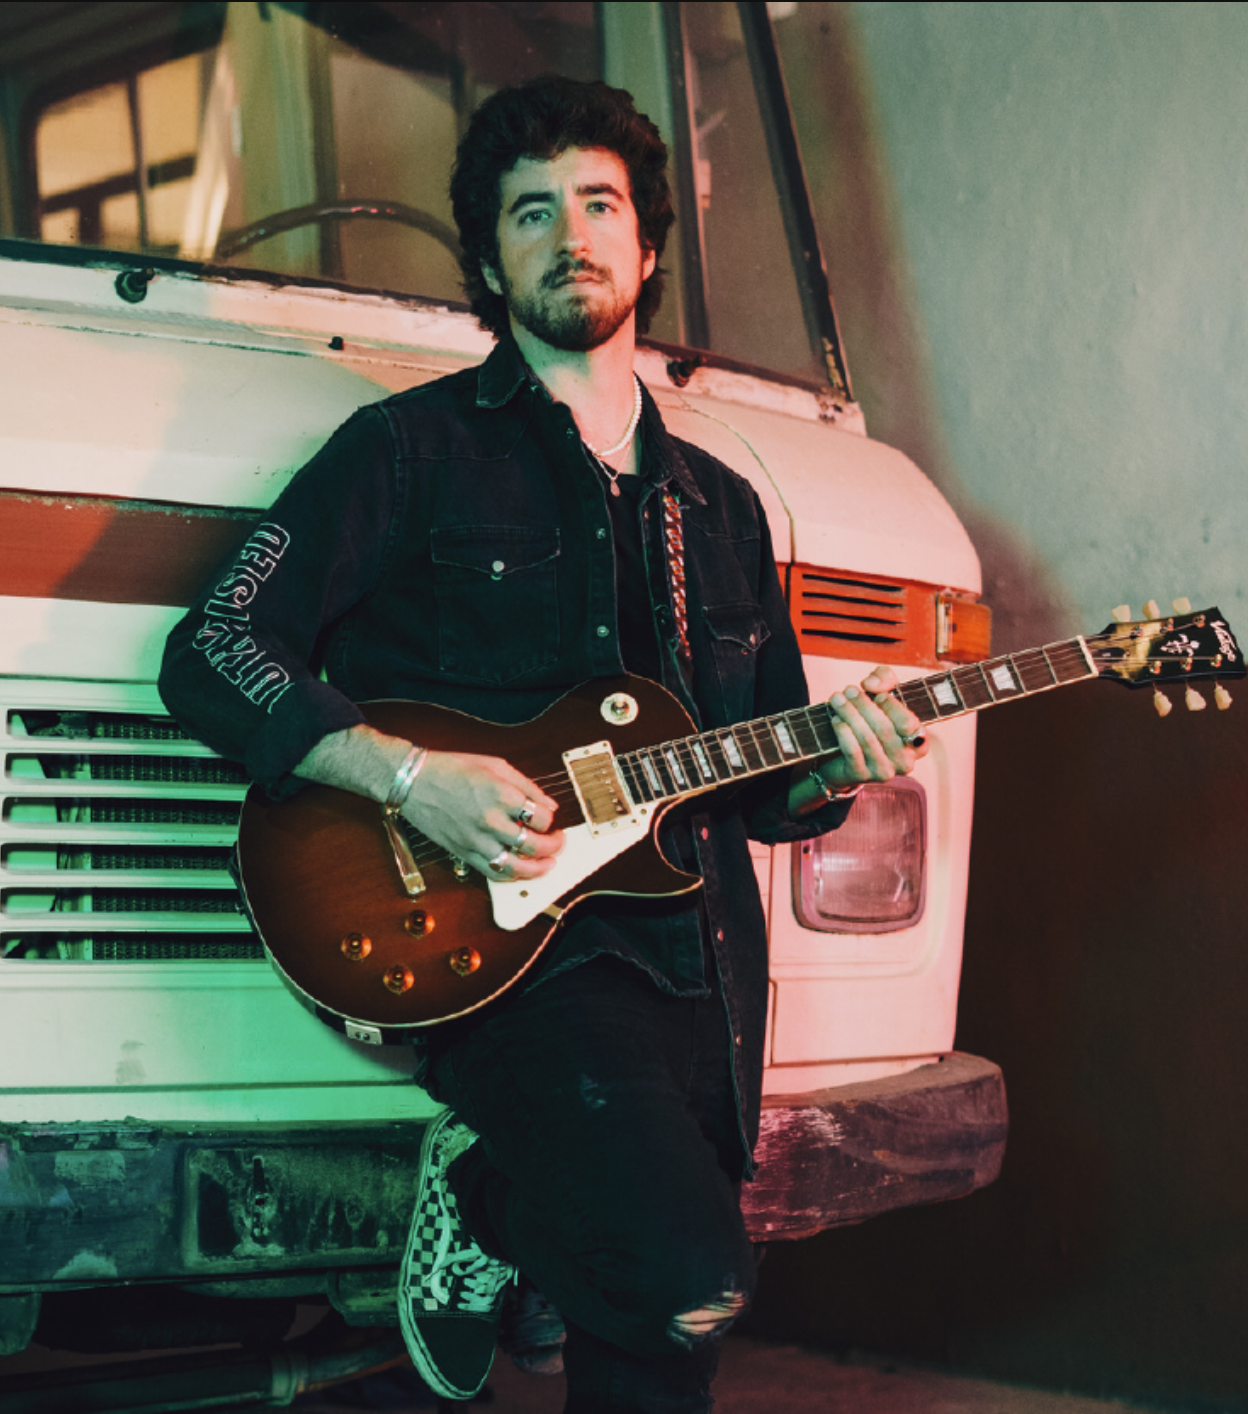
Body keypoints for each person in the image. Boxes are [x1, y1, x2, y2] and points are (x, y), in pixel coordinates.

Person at [159, 75, 925, 1414]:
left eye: (598, 204)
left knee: (658, 1342)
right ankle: (495, 1193)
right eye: (530, 213)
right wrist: (408, 778)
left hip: (698, 965)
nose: (569, 235)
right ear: (488, 260)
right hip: (499, 954)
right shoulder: (407, 451)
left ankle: (495, 1197)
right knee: (684, 1273)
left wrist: (837, 765)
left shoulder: (724, 507)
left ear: (646, 246)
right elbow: (215, 646)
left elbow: (763, 785)